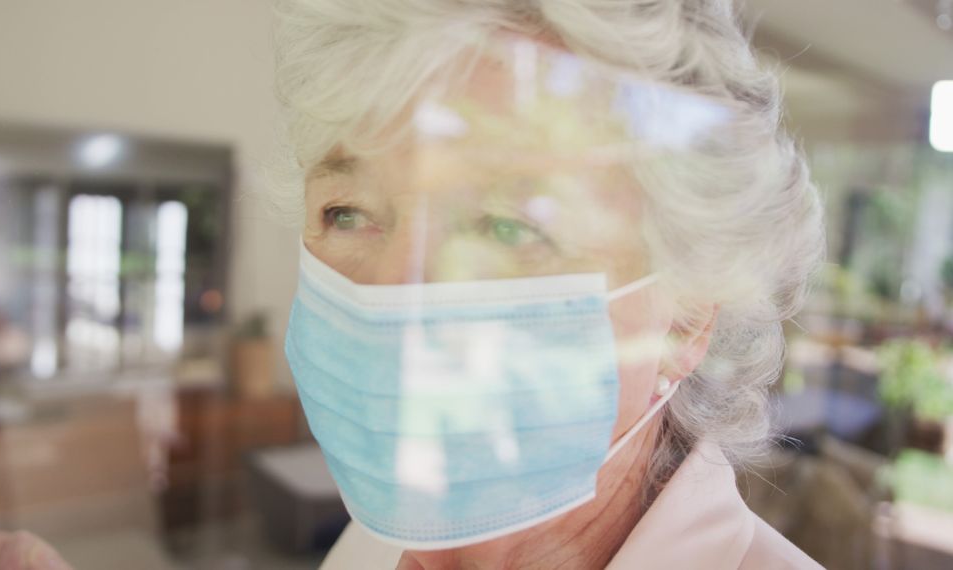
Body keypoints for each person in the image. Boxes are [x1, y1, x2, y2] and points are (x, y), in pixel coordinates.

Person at [273, 1, 826, 568]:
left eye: (509, 227)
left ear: (685, 319)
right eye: (346, 213)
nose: (392, 292)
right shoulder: (366, 547)